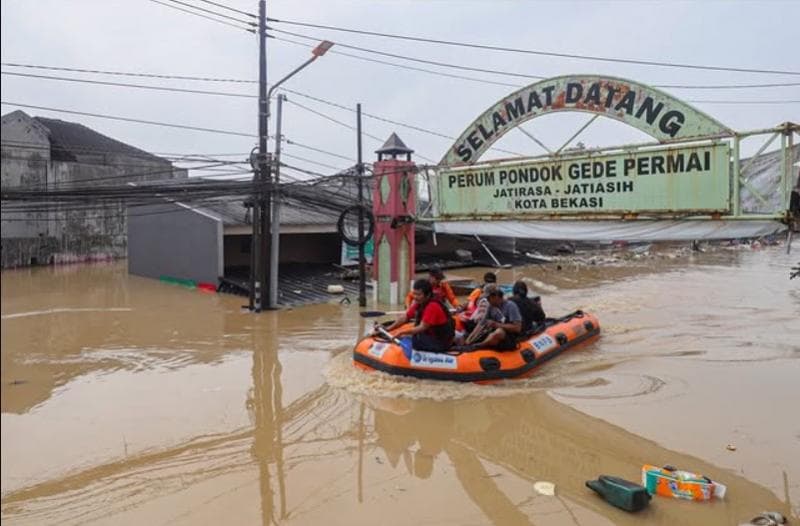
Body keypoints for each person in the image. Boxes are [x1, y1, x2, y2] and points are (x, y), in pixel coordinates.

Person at [386, 278, 455, 352]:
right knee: (411, 335)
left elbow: (422, 327)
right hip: (431, 336)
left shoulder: (433, 306)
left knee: (416, 341)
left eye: (418, 294)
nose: (415, 297)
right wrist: (388, 329)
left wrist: (403, 332)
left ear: (427, 295)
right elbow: (405, 317)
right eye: (414, 294)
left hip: (441, 341)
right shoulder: (419, 303)